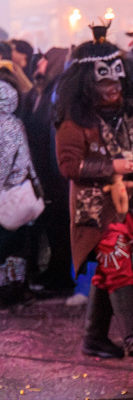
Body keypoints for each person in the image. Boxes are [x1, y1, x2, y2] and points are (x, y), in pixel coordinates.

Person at [55, 28, 133, 368]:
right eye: (103, 84)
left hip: (131, 209)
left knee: (110, 271)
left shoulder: (129, 117)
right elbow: (68, 165)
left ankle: (93, 337)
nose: (112, 90)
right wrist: (113, 165)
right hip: (95, 212)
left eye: (116, 83)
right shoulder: (74, 122)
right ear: (86, 84)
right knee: (118, 267)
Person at [23, 48, 73, 294]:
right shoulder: (40, 90)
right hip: (43, 168)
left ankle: (61, 275)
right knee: (52, 225)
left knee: (59, 225)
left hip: (54, 171)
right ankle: (54, 271)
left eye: (44, 59)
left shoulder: (56, 90)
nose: (39, 62)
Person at [0, 81, 42, 308]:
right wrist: (35, 184)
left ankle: (6, 289)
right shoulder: (16, 123)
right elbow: (26, 159)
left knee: (5, 244)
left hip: (6, 192)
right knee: (17, 244)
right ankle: (17, 287)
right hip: (19, 190)